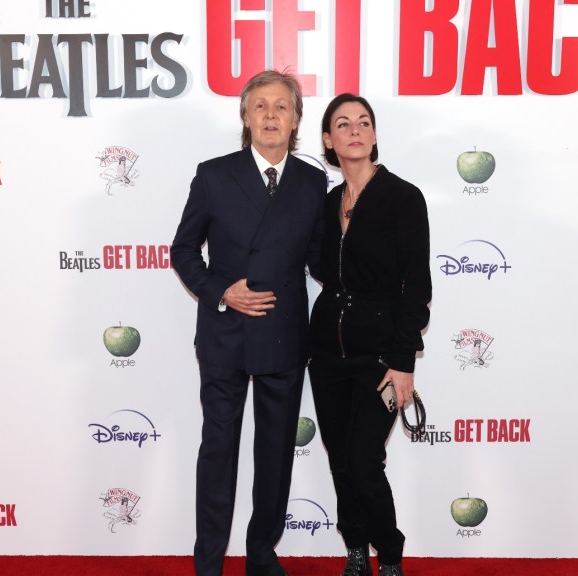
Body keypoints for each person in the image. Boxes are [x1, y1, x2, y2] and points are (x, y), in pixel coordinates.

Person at [170, 70, 326, 576]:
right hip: (224, 335)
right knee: (218, 451)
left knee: (277, 453)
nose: (271, 116)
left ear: (297, 119)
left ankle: (261, 554)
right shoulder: (214, 174)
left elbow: (322, 259)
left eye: (281, 106)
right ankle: (209, 563)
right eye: (260, 106)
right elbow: (184, 250)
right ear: (244, 117)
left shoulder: (312, 180)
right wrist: (221, 291)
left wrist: (367, 242)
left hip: (283, 335)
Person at [307, 94, 431, 576]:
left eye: (363, 122)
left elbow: (417, 286)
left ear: (375, 135)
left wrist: (403, 361)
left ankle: (391, 555)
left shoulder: (403, 197)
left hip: (381, 354)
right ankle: (355, 548)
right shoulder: (324, 203)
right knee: (340, 457)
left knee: (363, 459)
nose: (355, 130)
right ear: (328, 139)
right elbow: (319, 266)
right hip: (327, 352)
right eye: (343, 124)